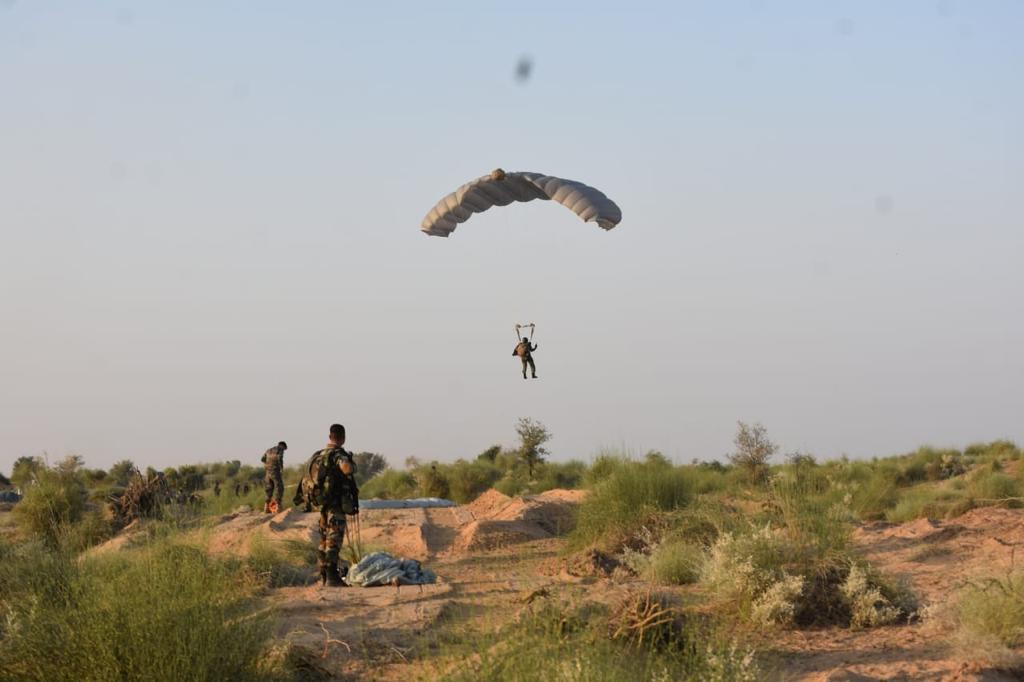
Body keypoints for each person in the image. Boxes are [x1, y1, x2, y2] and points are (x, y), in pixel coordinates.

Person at [312, 424, 359, 586]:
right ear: (342, 437)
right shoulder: (338, 454)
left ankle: (324, 573)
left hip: (322, 503)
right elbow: (347, 469)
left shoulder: (319, 455)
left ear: (330, 436)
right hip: (335, 502)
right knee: (334, 537)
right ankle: (332, 576)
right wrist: (351, 465)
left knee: (324, 538)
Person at [261, 441, 287, 513]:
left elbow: (262, 459)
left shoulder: (268, 450)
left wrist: (268, 465)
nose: (284, 451)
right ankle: (278, 507)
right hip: (275, 472)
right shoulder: (280, 449)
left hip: (268, 472)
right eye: (284, 449)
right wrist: (281, 468)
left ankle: (266, 508)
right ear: (283, 446)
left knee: (269, 489)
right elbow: (279, 458)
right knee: (279, 488)